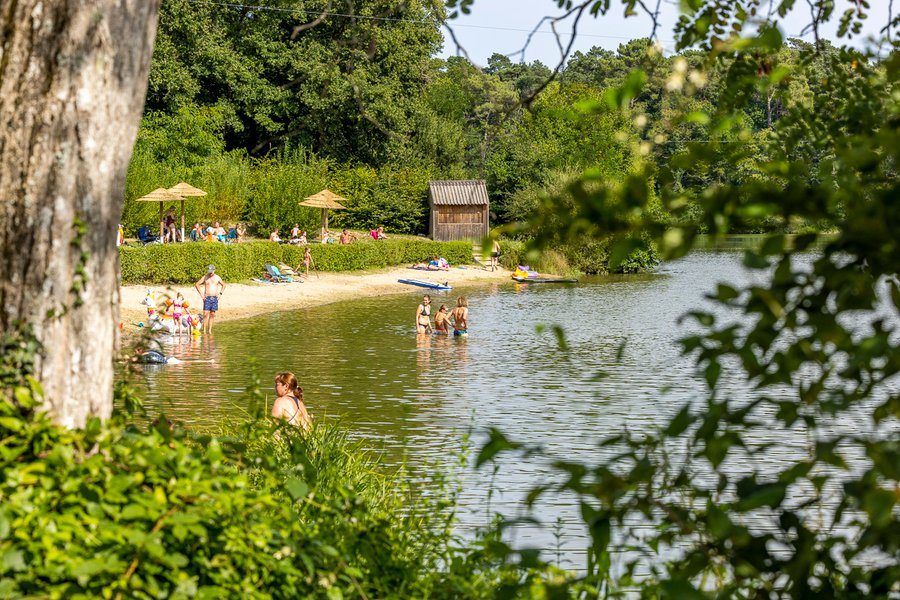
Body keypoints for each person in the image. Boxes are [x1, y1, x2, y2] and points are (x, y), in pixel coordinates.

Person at [194, 264, 225, 333]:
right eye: (209, 271)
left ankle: (210, 331)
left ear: (214, 270)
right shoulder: (205, 277)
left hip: (215, 298)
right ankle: (204, 331)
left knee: (212, 314)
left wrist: (220, 294)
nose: (210, 273)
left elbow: (224, 285)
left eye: (211, 271)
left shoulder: (217, 277)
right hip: (207, 298)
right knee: (205, 314)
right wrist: (201, 294)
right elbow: (197, 284)